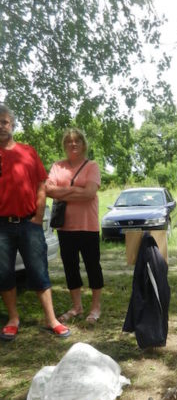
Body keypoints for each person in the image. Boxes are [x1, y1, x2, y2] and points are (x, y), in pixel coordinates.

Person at [0, 104, 70, 340]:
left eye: (5, 122)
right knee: (3, 273)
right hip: (1, 227)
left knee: (39, 271)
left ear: (12, 125)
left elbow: (42, 184)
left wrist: (39, 216)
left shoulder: (28, 152)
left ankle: (52, 320)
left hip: (29, 223)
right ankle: (13, 319)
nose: (1, 126)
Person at [46, 128, 103, 324]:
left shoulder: (92, 166)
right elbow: (48, 190)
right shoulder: (57, 166)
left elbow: (90, 194)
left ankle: (95, 308)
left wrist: (63, 191)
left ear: (83, 144)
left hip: (88, 226)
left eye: (77, 141)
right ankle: (77, 307)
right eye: (69, 141)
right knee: (70, 268)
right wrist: (76, 190)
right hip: (65, 228)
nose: (73, 144)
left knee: (92, 266)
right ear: (65, 145)